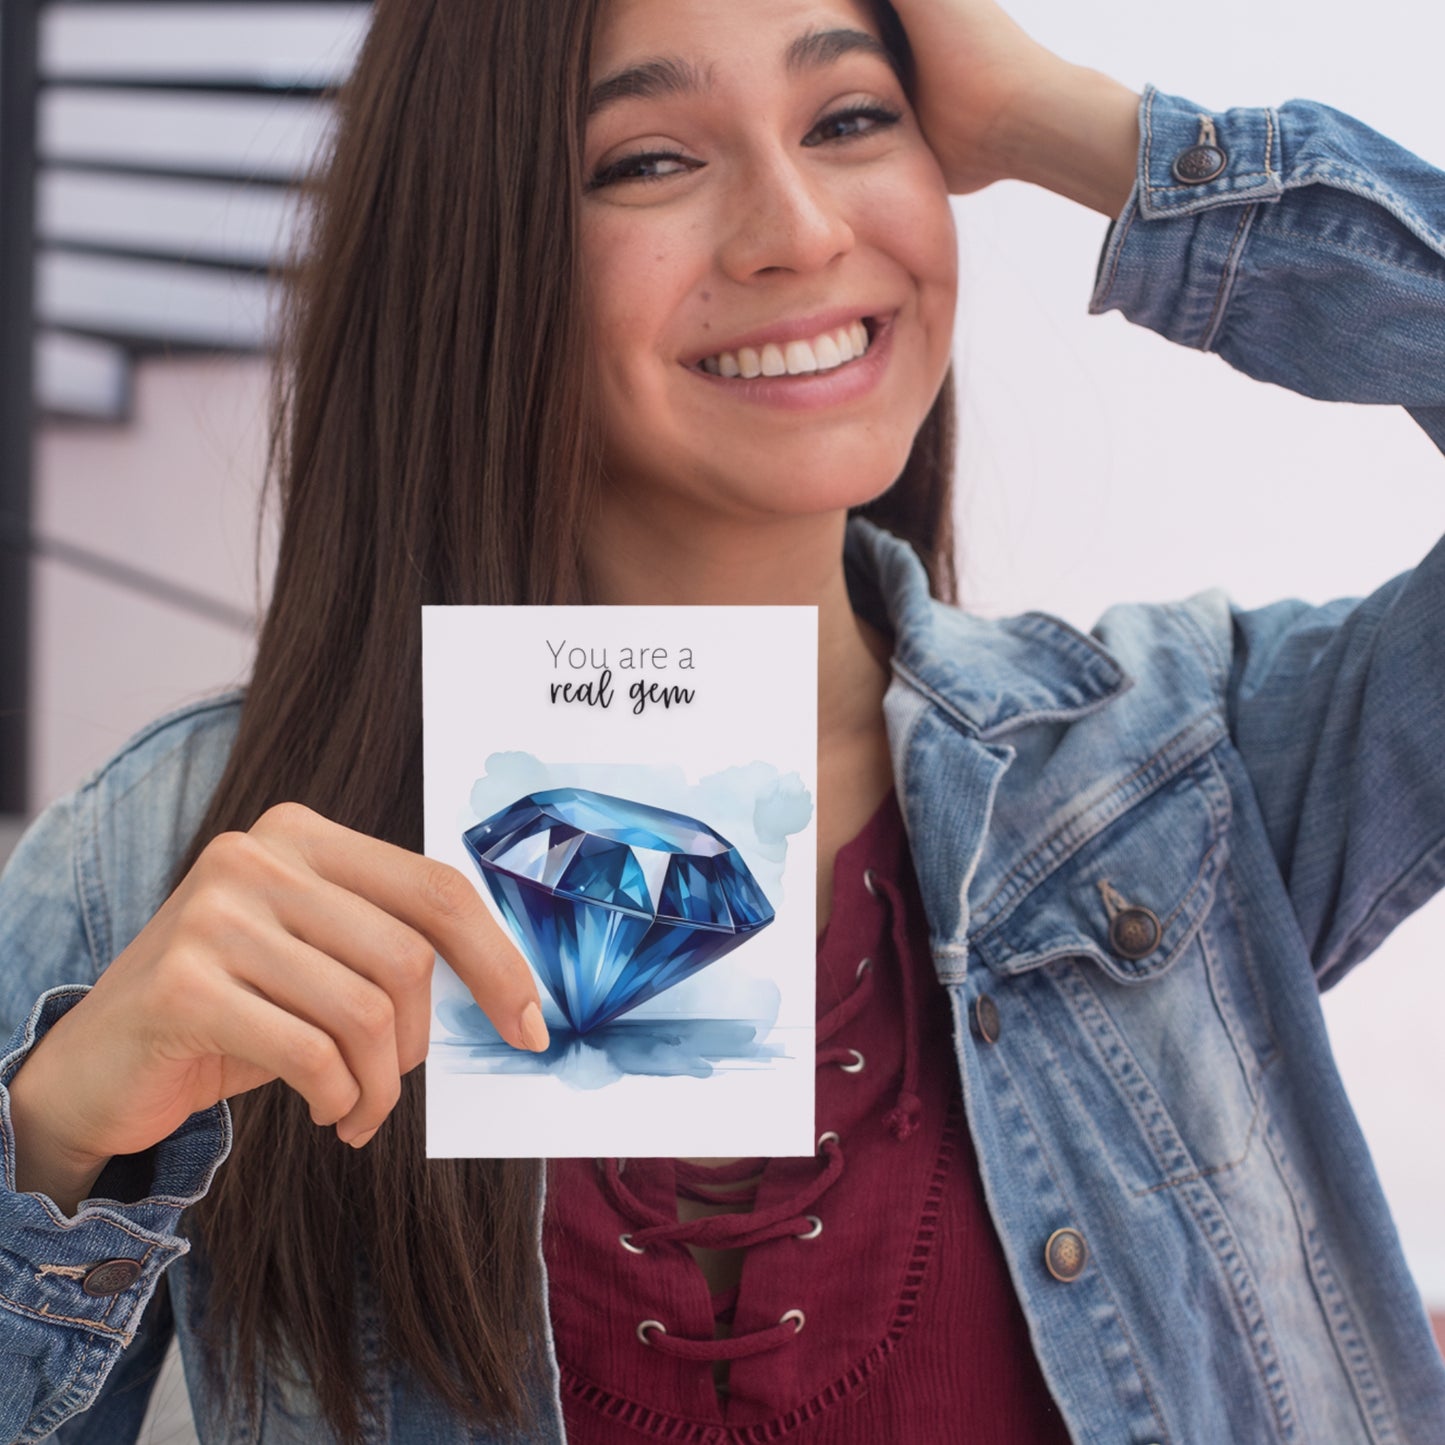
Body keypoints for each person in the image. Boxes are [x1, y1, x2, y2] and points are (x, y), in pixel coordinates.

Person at [1, 0, 1442, 1440]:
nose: (798, 228)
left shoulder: (1186, 764)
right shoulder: (170, 860)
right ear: (475, 240)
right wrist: (55, 1146)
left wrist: (1080, 127)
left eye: (849, 120)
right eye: (645, 161)